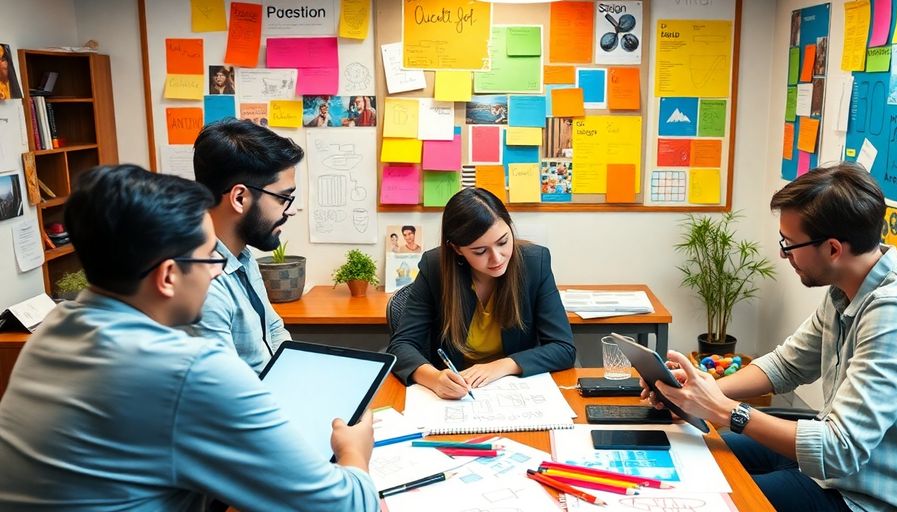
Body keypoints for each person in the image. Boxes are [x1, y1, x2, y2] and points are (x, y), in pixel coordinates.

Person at [0, 165, 378, 510]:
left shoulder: (54, 327)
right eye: (208, 259)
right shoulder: (188, 369)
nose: (216, 273)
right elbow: (341, 506)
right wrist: (354, 452)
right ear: (167, 277)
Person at [645, 163, 897, 512]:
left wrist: (724, 410)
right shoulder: (849, 288)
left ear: (833, 249)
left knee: (704, 498)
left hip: (864, 497)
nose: (784, 254)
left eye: (790, 243)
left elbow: (839, 450)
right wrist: (699, 392)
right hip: (829, 470)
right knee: (684, 452)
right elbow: (787, 365)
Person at [387, 188, 576, 399]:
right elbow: (401, 345)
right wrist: (435, 378)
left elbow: (563, 348)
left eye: (503, 242)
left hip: (515, 391)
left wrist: (502, 366)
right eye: (480, 251)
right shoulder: (435, 268)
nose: (497, 258)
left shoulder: (534, 263)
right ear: (457, 249)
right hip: (457, 395)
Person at [191, 118, 300, 373]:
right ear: (240, 198)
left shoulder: (241, 255)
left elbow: (273, 330)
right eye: (283, 198)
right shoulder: (202, 288)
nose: (290, 211)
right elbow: (224, 399)